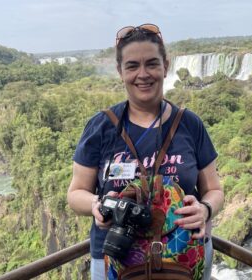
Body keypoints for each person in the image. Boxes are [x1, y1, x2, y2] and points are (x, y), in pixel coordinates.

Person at [67, 23, 224, 280]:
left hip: (185, 259)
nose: (143, 74)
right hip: (117, 258)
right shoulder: (101, 126)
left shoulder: (189, 124)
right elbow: (75, 194)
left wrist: (205, 209)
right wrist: (97, 205)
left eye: (152, 63)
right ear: (120, 71)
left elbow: (215, 190)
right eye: (132, 66)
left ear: (166, 66)